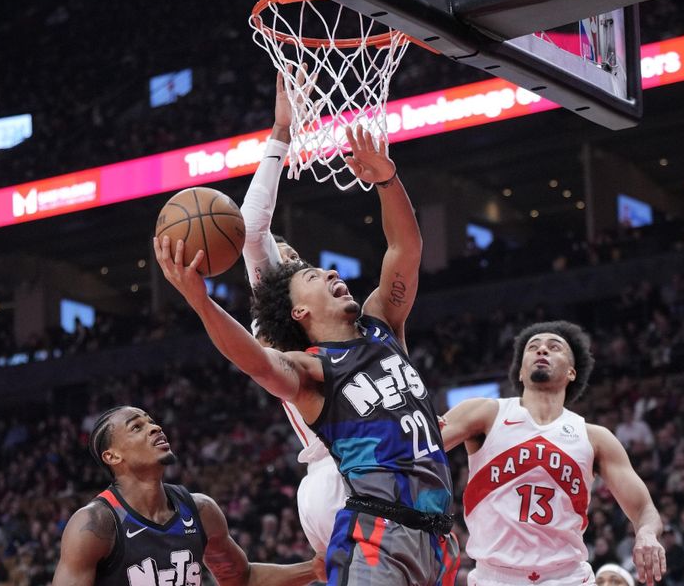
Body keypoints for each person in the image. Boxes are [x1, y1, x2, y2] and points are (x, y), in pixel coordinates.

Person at [154, 125, 459, 585]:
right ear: (298, 310)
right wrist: (202, 302)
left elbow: (405, 248)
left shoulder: (383, 326)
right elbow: (256, 361)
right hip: (378, 530)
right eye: (313, 275)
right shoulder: (312, 370)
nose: (331, 271)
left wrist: (387, 181)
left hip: (438, 535)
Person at [441, 321, 666, 586]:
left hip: (567, 577)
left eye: (554, 347)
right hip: (495, 576)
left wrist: (647, 534)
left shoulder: (595, 438)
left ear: (572, 372)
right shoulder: (486, 414)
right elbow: (418, 446)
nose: (542, 350)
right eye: (533, 347)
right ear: (521, 372)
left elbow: (644, 509)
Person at [239, 69, 345, 555]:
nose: (289, 258)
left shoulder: (346, 315)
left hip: (367, 462)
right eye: (282, 259)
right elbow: (252, 231)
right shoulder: (278, 319)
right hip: (338, 468)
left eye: (295, 256)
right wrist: (281, 136)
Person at [52, 406, 324, 585]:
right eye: (137, 427)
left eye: (152, 422)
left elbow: (243, 578)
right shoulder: (95, 525)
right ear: (112, 456)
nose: (154, 428)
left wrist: (313, 569)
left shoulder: (200, 510)